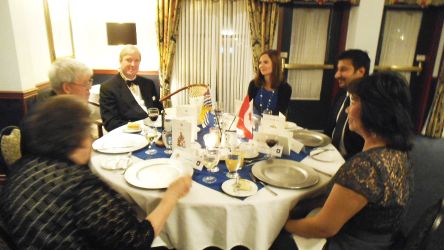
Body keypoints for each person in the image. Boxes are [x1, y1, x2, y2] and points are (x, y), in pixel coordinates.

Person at [0, 95, 192, 249]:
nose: (91, 138)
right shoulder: (81, 188)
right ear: (77, 138)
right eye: (88, 131)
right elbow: (138, 240)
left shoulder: (21, 168)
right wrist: (172, 196)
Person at [274, 72, 414, 249]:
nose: (347, 109)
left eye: (354, 101)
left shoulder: (366, 167)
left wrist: (281, 225)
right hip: (383, 237)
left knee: (275, 240)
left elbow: (324, 228)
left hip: (350, 243)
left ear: (374, 109)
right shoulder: (398, 153)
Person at [100, 45, 163, 131]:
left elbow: (158, 109)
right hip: (129, 135)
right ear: (120, 61)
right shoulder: (108, 87)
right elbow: (111, 123)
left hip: (155, 131)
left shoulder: (149, 83)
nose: (133, 64)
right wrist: (140, 127)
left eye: (136, 60)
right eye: (129, 60)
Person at [325, 49, 369, 159]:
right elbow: (329, 129)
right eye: (337, 70)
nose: (336, 75)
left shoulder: (369, 103)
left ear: (361, 71)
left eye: (343, 70)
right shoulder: (342, 94)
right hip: (328, 155)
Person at [247, 50, 292, 116]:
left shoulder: (285, 88)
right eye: (260, 63)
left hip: (273, 125)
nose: (261, 66)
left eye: (265, 62)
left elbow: (281, 115)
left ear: (275, 64)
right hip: (254, 123)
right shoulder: (253, 84)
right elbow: (247, 108)